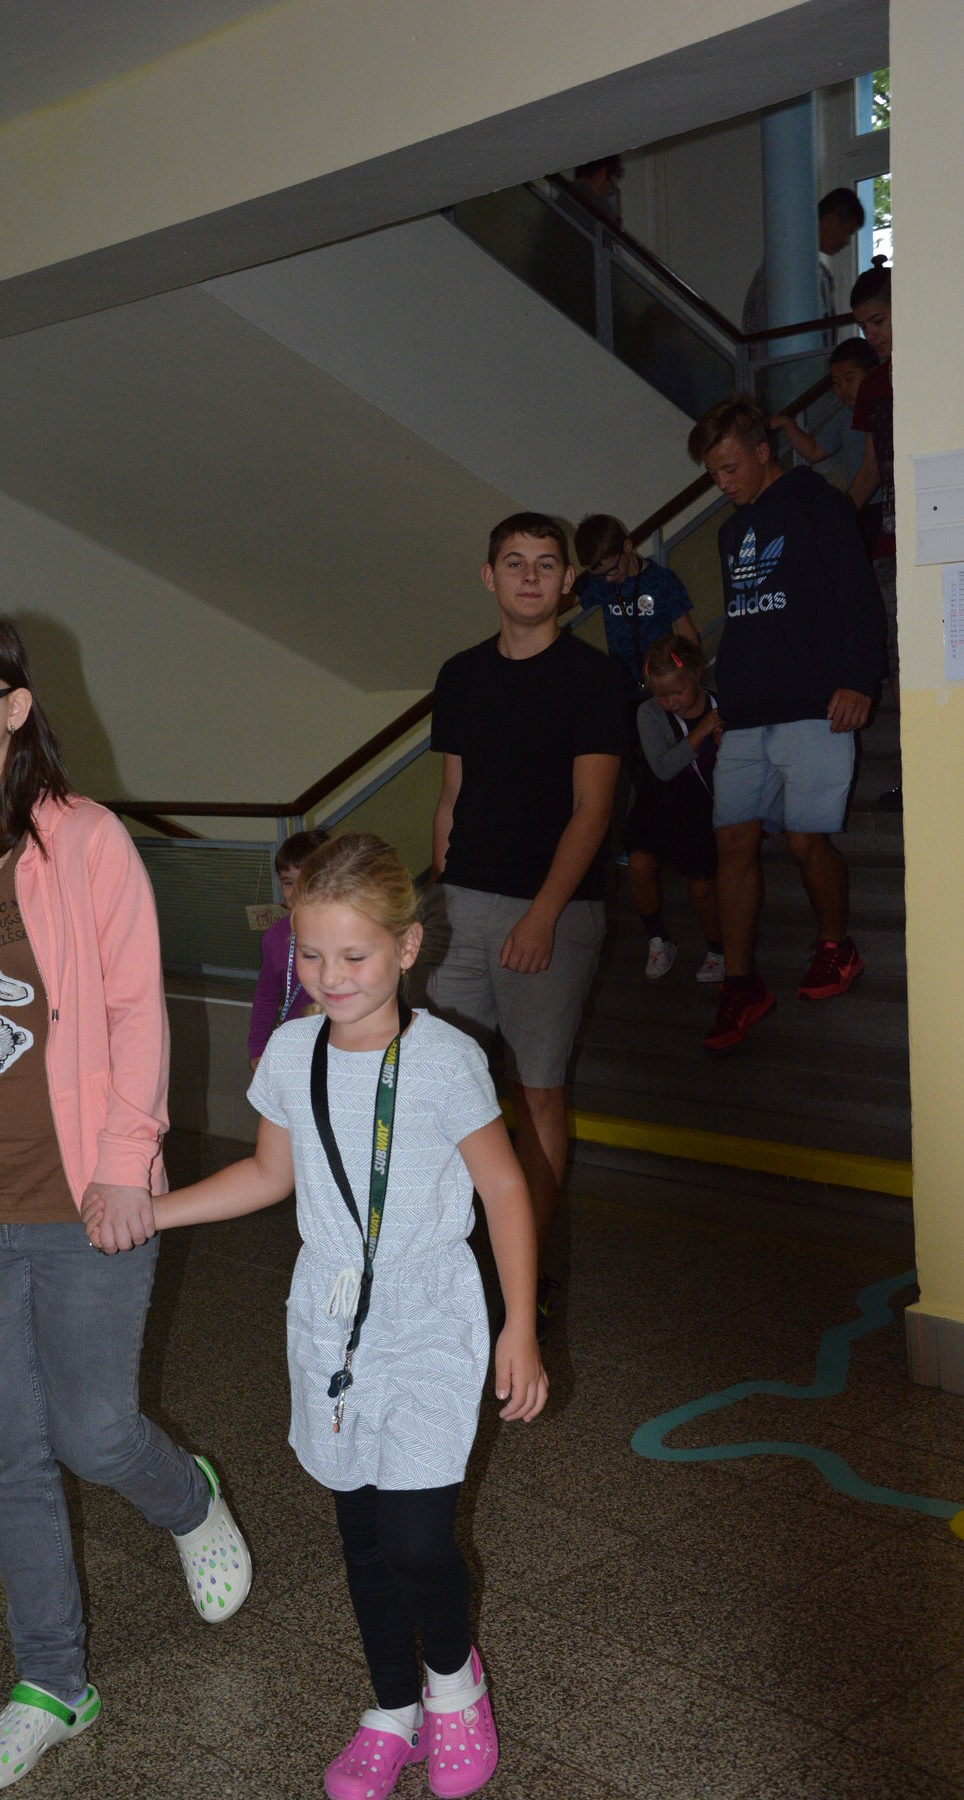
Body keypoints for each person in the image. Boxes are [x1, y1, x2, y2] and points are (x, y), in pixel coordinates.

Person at [0, 608, 251, 1793]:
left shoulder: (84, 840)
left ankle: (188, 1500)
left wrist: (127, 1162)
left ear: (16, 707)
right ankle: (53, 1683)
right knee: (9, 1446)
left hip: (83, 1192)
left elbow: (135, 1007)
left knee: (93, 1429)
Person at [87, 833, 548, 1800]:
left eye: (355, 955)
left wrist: (520, 1327)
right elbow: (269, 1173)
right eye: (311, 955)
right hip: (331, 1323)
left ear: (407, 948)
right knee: (363, 1537)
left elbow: (505, 1189)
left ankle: (454, 1683)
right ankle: (391, 1708)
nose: (331, 977)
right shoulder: (294, 1053)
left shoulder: (447, 1061)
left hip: (429, 1316)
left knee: (418, 1538)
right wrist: (152, 1210)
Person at [422, 513, 626, 1338]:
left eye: (547, 564)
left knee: (536, 1091)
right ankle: (442, 1257)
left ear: (569, 582)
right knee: (441, 1087)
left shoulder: (593, 678)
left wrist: (543, 913)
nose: (531, 577)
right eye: (515, 563)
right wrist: (438, 898)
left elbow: (593, 809)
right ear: (490, 577)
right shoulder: (461, 674)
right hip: (461, 907)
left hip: (556, 911)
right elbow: (451, 797)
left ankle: (528, 1274)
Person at [686, 397, 886, 1052]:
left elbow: (859, 594)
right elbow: (746, 624)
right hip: (747, 715)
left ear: (763, 451)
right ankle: (741, 984)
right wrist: (726, 703)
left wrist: (860, 678)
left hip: (814, 706)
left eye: (731, 468)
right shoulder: (729, 533)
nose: (724, 483)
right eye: (714, 474)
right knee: (733, 843)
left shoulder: (817, 503)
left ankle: (836, 946)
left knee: (805, 841)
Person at [625, 635, 725, 983]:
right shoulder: (649, 713)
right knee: (639, 865)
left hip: (704, 809)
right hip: (661, 805)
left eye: (678, 692)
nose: (669, 702)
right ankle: (658, 940)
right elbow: (664, 767)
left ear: (697, 675)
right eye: (660, 694)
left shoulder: (721, 705)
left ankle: (718, 949)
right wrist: (702, 732)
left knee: (702, 888)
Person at [847, 258, 900, 808]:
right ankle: (919, 769)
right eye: (864, 326)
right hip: (890, 536)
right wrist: (833, 522)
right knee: (898, 658)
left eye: (878, 321)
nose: (872, 335)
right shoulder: (874, 385)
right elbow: (869, 471)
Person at [573, 514, 701, 714]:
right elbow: (561, 599)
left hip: (661, 682)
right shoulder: (601, 584)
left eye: (612, 570)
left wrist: (691, 676)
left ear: (627, 546)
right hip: (622, 686)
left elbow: (687, 633)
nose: (608, 579)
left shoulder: (662, 580)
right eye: (600, 575)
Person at [769, 338, 883, 551]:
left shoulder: (882, 410)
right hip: (858, 506)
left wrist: (844, 510)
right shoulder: (844, 416)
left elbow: (872, 470)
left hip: (881, 504)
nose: (843, 388)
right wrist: (787, 424)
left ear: (873, 374)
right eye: (836, 383)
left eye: (849, 379)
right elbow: (814, 451)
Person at [742, 187, 866, 344]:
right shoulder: (786, 268)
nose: (847, 242)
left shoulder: (820, 273)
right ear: (831, 221)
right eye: (848, 231)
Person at [248, 827, 329, 1069]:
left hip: (341, 1045)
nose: (297, 892)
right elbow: (266, 996)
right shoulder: (275, 938)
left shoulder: (347, 932)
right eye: (288, 882)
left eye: (308, 881)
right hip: (295, 1048)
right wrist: (258, 1049)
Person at [570, 155, 624, 224]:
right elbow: (612, 229)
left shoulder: (562, 194)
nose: (607, 192)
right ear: (601, 174)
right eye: (611, 185)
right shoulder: (600, 208)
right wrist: (617, 218)